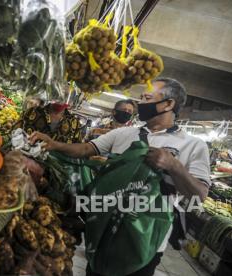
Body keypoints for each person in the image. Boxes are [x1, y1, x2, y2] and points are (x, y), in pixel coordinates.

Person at [30, 78, 211, 276]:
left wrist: (173, 165)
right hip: (103, 226)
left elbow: (200, 194)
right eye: (141, 97)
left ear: (168, 104)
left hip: (143, 238)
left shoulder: (193, 145)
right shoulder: (124, 134)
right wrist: (55, 145)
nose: (140, 103)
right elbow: (85, 149)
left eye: (147, 97)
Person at [19, 102, 83, 143]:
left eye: (67, 96)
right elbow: (14, 132)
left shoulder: (74, 123)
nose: (62, 100)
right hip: (23, 161)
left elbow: (78, 149)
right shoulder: (32, 111)